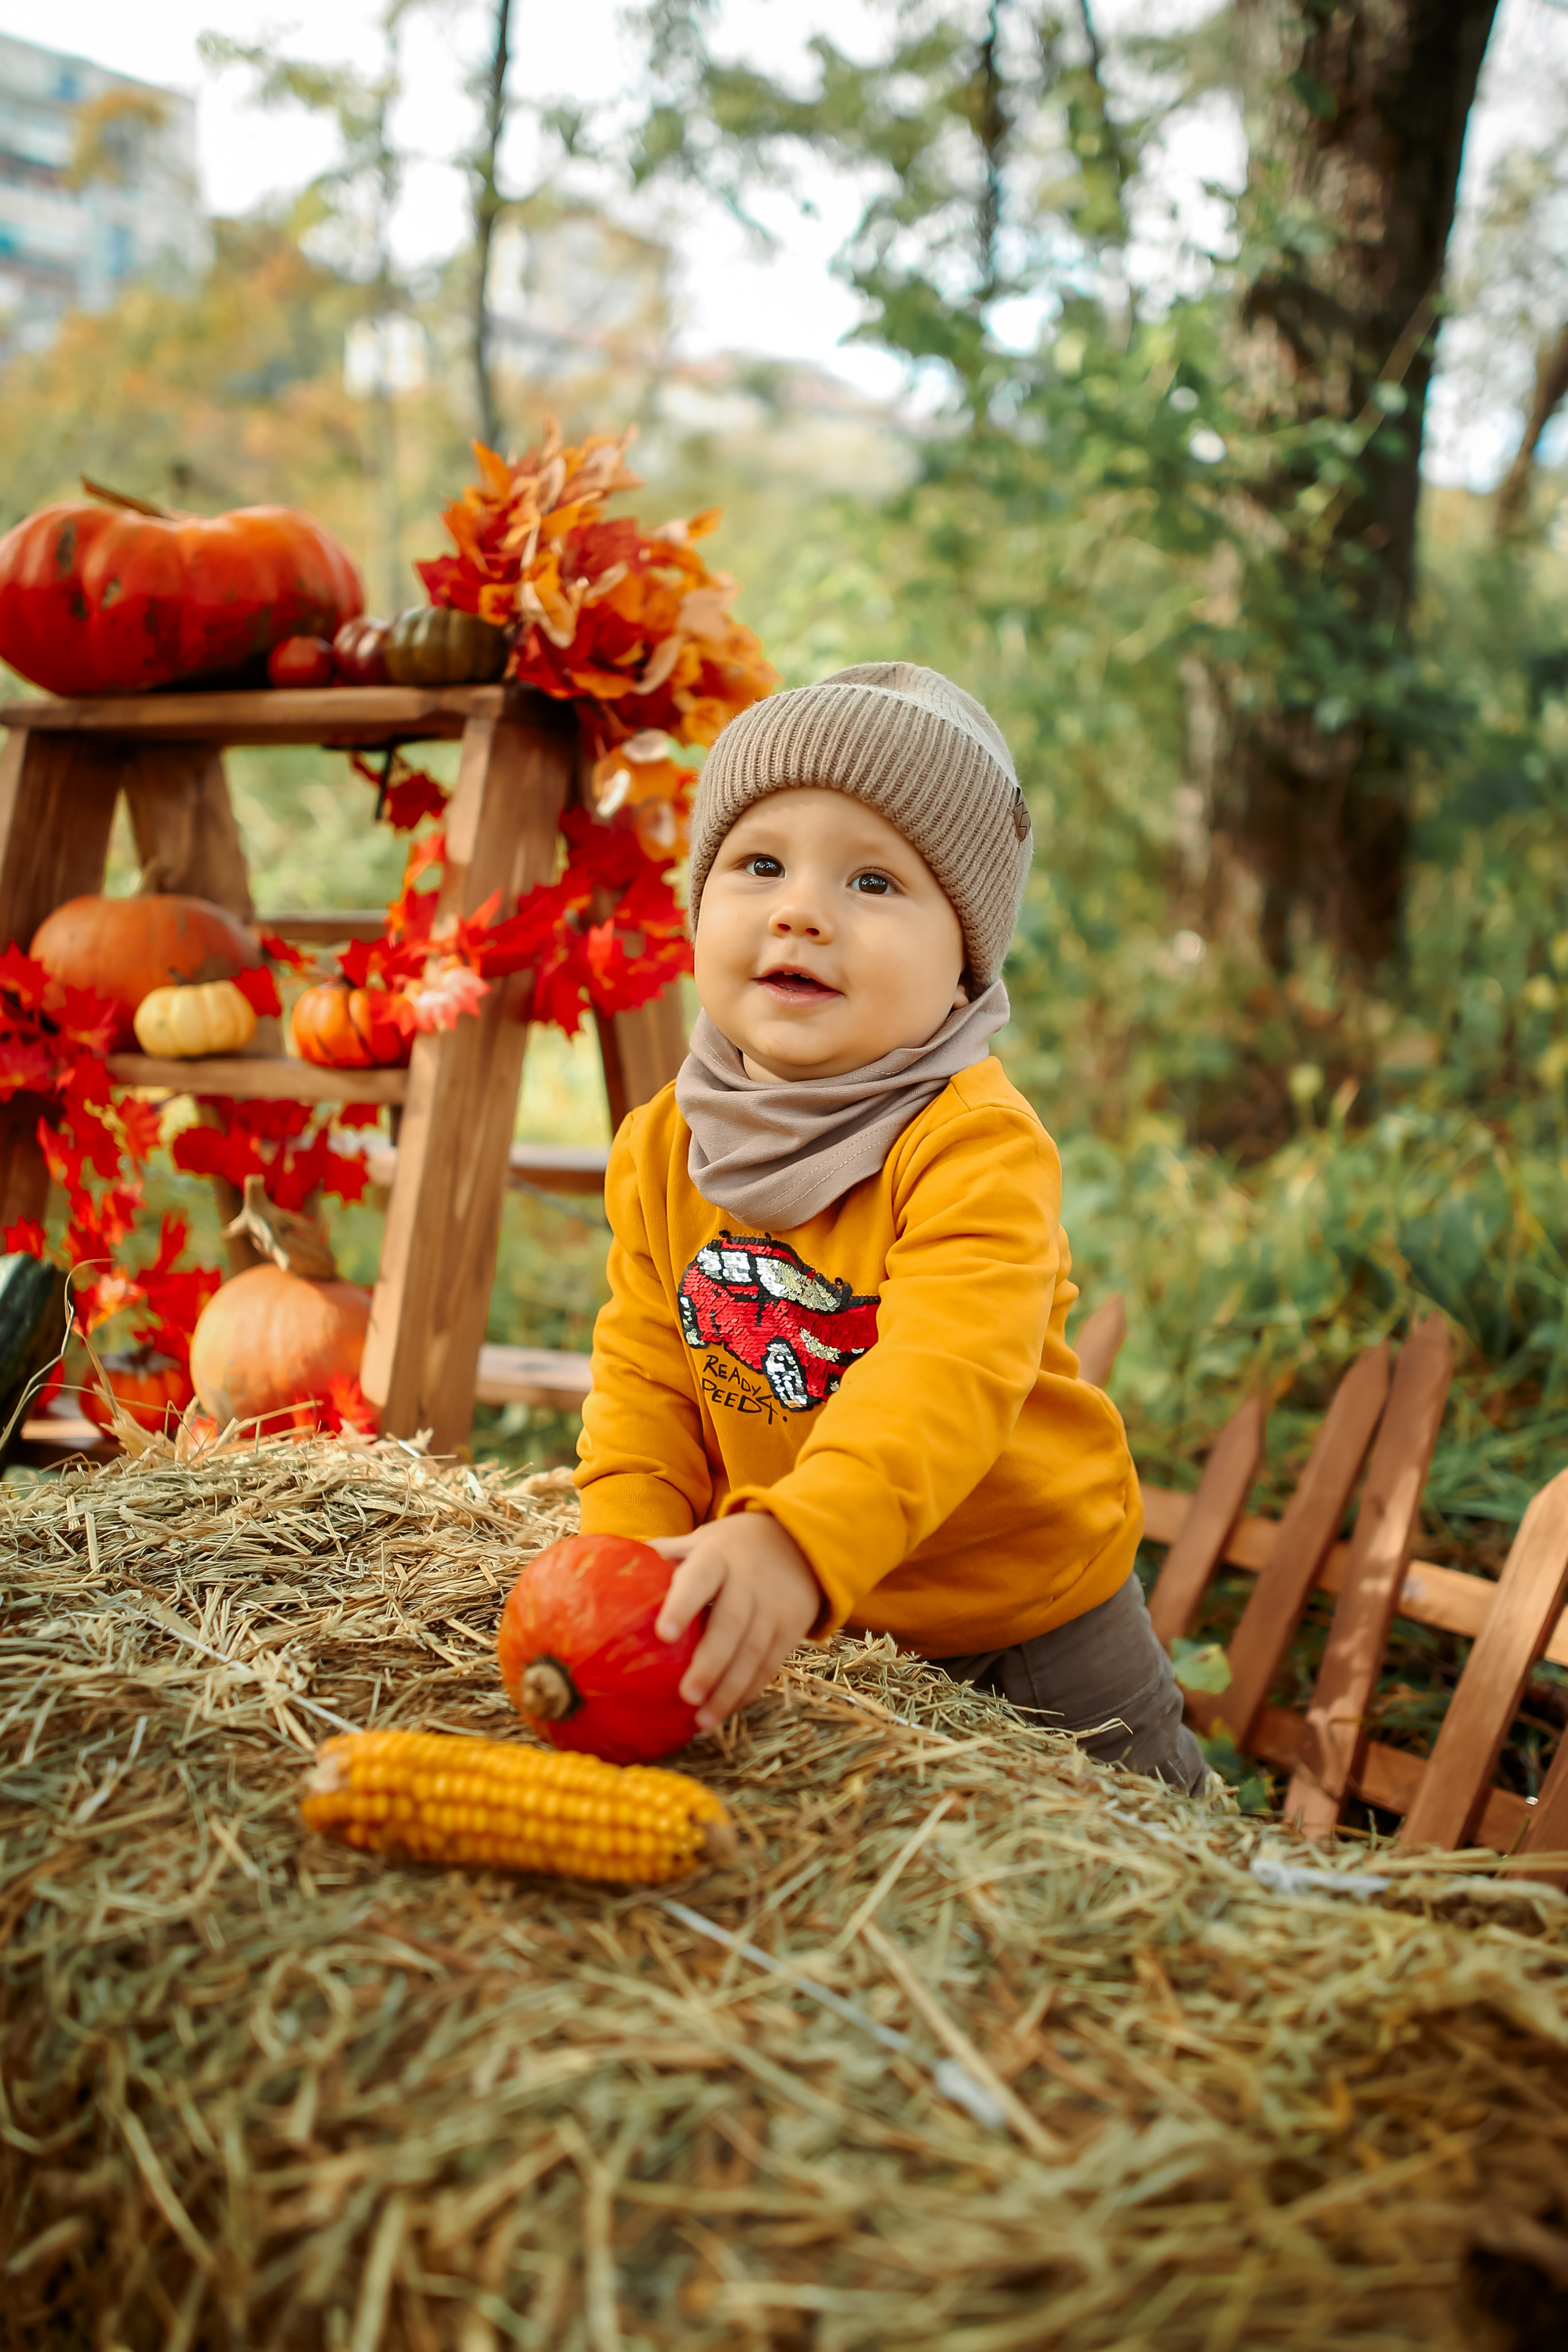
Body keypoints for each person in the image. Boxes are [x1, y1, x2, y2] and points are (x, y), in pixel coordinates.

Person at [575, 662, 1204, 1791]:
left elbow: (943, 1377)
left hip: (1027, 1620)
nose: (801, 909)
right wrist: (621, 1558)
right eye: (758, 864)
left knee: (1143, 1865)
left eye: (873, 881)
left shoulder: (972, 1146)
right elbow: (649, 1375)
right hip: (820, 1616)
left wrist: (794, 1543)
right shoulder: (667, 1141)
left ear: (962, 960)